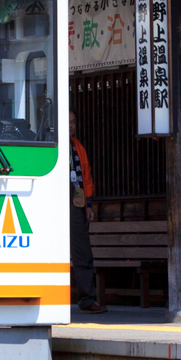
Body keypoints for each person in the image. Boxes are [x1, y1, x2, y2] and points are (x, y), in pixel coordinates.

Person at [70, 131, 104, 313]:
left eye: (73, 122)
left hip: (76, 204)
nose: (70, 125)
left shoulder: (77, 146)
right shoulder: (47, 141)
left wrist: (89, 204)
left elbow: (87, 175)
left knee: (82, 251)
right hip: (52, 201)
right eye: (67, 121)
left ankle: (87, 299)